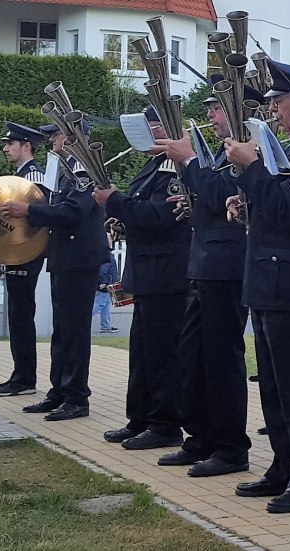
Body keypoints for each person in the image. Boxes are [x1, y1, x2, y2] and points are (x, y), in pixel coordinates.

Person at [224, 68, 290, 515]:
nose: (272, 109)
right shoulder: (288, 148)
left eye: (279, 101)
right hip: (267, 281)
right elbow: (271, 207)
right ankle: (284, 465)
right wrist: (244, 200)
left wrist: (251, 171)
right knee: (272, 384)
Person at [153, 85, 252, 477]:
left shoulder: (248, 151)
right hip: (205, 264)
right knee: (194, 357)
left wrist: (190, 162)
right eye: (209, 110)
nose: (210, 117)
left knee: (222, 362)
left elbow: (224, 193)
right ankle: (200, 438)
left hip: (227, 268)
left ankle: (231, 448)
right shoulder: (221, 152)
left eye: (216, 109)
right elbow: (213, 203)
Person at [94, 107, 192, 450]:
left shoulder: (176, 170)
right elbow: (141, 213)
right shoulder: (153, 166)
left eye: (153, 130)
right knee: (143, 352)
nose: (146, 138)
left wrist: (114, 202)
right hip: (148, 273)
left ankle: (165, 424)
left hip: (166, 275)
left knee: (163, 354)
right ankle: (140, 417)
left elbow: (159, 216)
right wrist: (121, 219)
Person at [0, 125, 109, 423]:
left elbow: (73, 211)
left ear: (73, 137)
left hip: (79, 257)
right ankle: (59, 391)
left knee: (74, 331)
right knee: (61, 330)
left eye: (56, 134)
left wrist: (28, 211)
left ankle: (76, 397)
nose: (51, 140)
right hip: (65, 256)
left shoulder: (84, 167)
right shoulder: (65, 169)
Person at [0, 122, 47, 398]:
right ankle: (20, 374)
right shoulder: (22, 175)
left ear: (26, 146)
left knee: (21, 315)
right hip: (18, 253)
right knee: (18, 315)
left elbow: (34, 220)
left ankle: (25, 378)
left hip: (26, 254)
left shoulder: (33, 177)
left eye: (10, 144)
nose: (5, 148)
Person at [93, 256, 120, 334]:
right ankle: (81, 319)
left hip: (107, 283)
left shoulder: (105, 253)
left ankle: (105, 326)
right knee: (100, 304)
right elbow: (102, 270)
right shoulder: (105, 254)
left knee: (106, 305)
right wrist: (104, 281)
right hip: (105, 283)